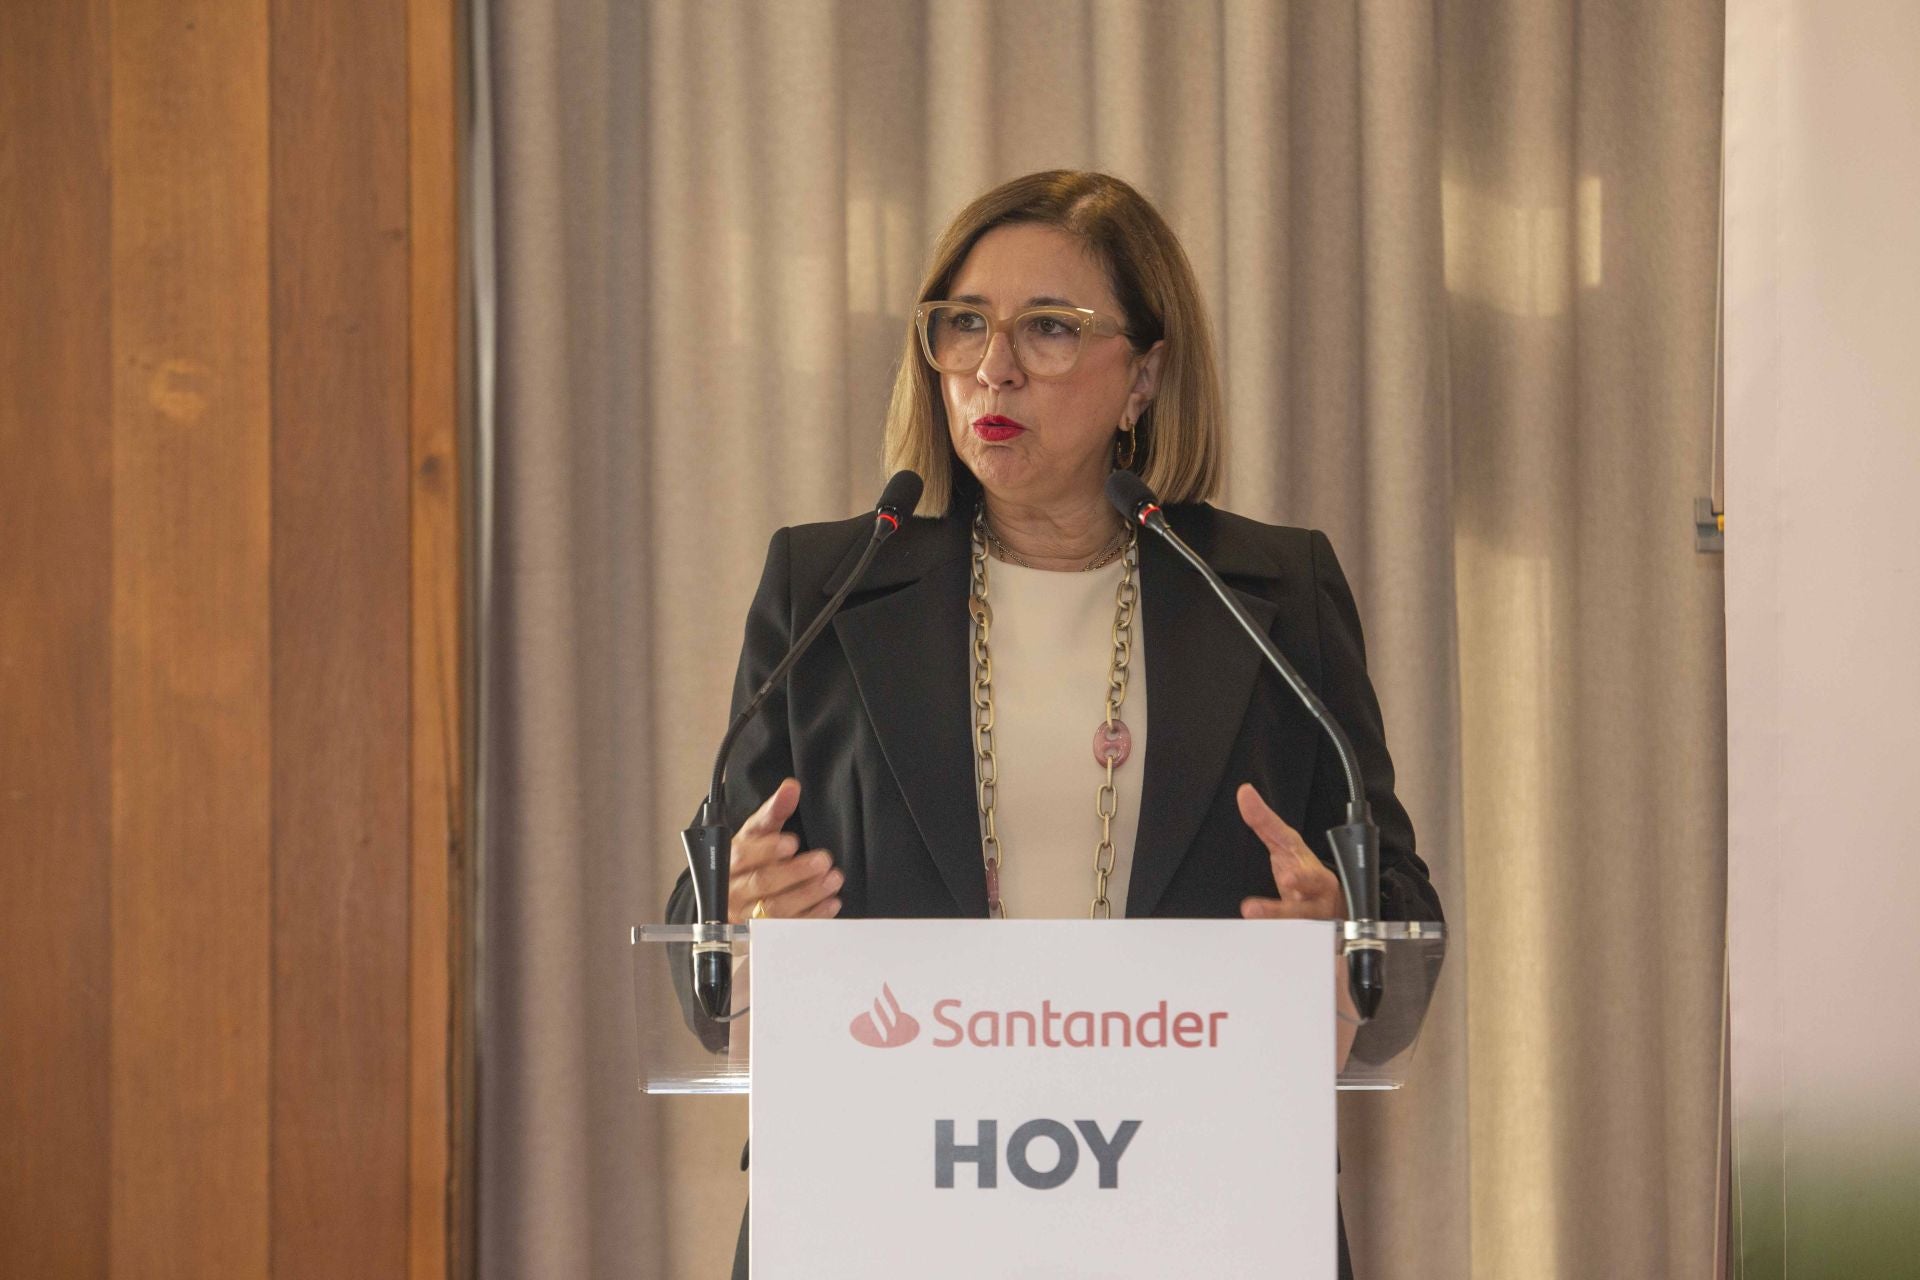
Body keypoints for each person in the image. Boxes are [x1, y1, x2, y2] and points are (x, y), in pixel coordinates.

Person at [667, 169, 1441, 1279]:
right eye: (965, 325)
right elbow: (698, 946)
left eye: (1050, 328)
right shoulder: (829, 591)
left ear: (1145, 374)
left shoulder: (1272, 592)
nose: (995, 365)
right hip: (883, 1201)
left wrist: (1342, 922)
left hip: (1199, 1205)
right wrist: (732, 910)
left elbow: (1401, 920)